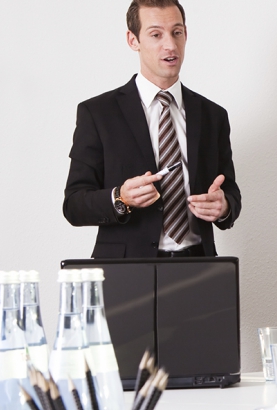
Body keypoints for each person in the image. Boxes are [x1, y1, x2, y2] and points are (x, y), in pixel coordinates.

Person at [63, 0, 241, 258]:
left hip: (200, 267)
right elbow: (74, 204)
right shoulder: (98, 113)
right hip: (127, 273)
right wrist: (120, 197)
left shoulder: (213, 116)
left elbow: (231, 191)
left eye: (176, 32)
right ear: (133, 40)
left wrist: (224, 206)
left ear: (186, 35)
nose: (170, 45)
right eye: (156, 34)